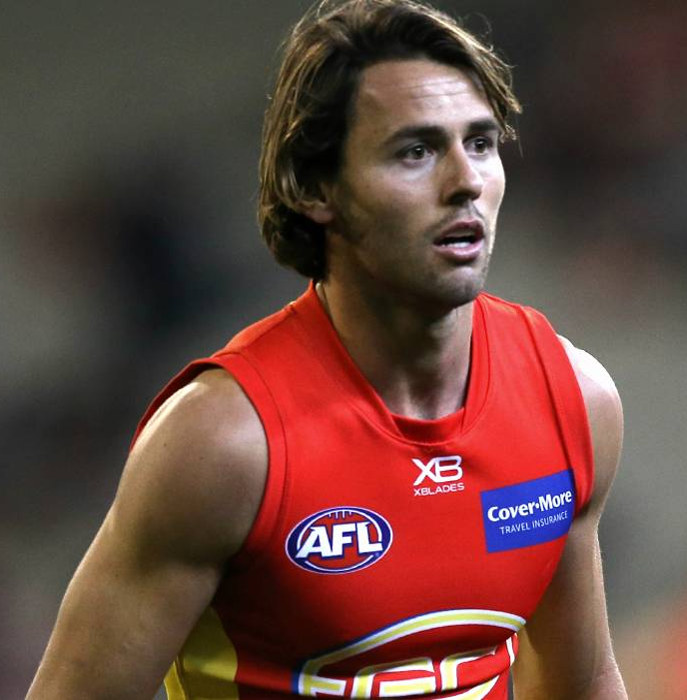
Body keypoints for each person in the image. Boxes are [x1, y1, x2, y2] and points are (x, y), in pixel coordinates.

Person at [27, 1, 628, 698]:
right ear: (315, 188)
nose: (465, 181)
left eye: (481, 143)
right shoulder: (222, 443)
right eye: (416, 151)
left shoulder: (572, 399)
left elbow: (583, 681)